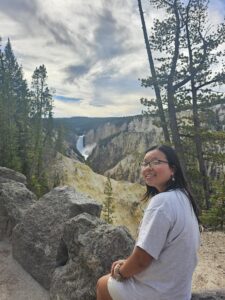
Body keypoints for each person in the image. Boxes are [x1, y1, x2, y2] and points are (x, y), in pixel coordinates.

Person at [96, 144, 200, 300]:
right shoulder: (183, 196)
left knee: (102, 284)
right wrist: (127, 263)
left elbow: (141, 260)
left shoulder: (162, 202)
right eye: (145, 163)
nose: (148, 168)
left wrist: (121, 272)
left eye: (156, 162)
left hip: (160, 293)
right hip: (179, 291)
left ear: (173, 169)